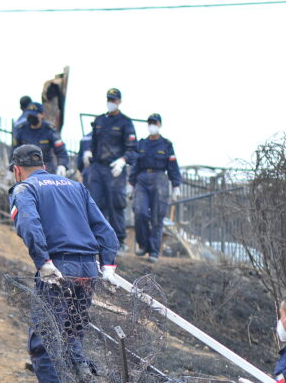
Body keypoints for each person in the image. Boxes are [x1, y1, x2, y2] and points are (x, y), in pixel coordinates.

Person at [8, 144, 118, 383]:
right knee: (71, 333)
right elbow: (105, 229)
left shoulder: (24, 189)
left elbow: (30, 224)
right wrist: (108, 264)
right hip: (87, 270)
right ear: (44, 164)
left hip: (59, 269)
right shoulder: (75, 186)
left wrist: (42, 261)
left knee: (44, 339)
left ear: (17, 170)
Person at [82, 88, 136, 250]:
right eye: (109, 99)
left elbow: (132, 149)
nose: (111, 102)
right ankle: (94, 239)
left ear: (119, 101)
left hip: (115, 170)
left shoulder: (126, 123)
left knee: (116, 204)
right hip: (97, 168)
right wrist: (88, 152)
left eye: (113, 100)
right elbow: (94, 142)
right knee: (94, 203)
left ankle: (119, 241)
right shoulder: (99, 121)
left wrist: (123, 161)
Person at [128, 113, 181, 262]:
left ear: (159, 125)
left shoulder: (166, 144)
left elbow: (172, 166)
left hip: (160, 180)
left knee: (158, 216)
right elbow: (135, 165)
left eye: (155, 123)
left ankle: (154, 252)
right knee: (140, 212)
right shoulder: (142, 144)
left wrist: (176, 185)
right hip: (142, 179)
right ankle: (143, 244)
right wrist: (131, 184)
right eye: (150, 123)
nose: (152, 125)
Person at [12, 102, 69, 176]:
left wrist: (62, 165)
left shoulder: (50, 130)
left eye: (34, 115)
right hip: (26, 168)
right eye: (29, 115)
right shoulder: (21, 129)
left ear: (41, 115)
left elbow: (61, 150)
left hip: (46, 168)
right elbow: (14, 151)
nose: (31, 117)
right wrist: (11, 168)